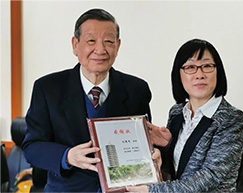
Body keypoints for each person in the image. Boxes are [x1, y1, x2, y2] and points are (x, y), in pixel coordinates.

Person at [22, 8, 152, 192]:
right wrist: (67, 156)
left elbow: (143, 145)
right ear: (75, 45)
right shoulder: (48, 88)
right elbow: (32, 147)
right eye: (91, 41)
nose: (100, 49)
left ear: (118, 46)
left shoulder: (136, 89)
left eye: (108, 41)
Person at [127, 39, 243, 192]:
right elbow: (176, 171)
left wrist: (152, 191)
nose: (199, 74)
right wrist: (166, 147)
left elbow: (210, 176)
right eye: (190, 67)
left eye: (207, 66)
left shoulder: (231, 118)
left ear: (218, 71)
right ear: (179, 74)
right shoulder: (177, 113)